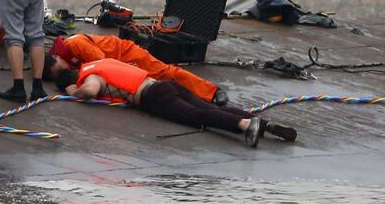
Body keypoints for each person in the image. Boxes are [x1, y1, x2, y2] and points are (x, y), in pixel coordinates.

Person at [56, 58, 298, 147]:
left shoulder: (89, 76)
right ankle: (267, 125)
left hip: (154, 97)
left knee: (197, 117)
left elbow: (90, 90)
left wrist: (73, 91)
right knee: (210, 108)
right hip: (164, 84)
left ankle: (246, 126)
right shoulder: (101, 61)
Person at [45, 33, 227, 105]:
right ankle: (192, 97)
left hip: (127, 55)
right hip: (116, 63)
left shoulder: (75, 44)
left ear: (56, 57)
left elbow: (102, 63)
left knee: (165, 73)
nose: (63, 71)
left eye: (59, 69)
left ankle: (212, 91)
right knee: (161, 84)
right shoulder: (66, 57)